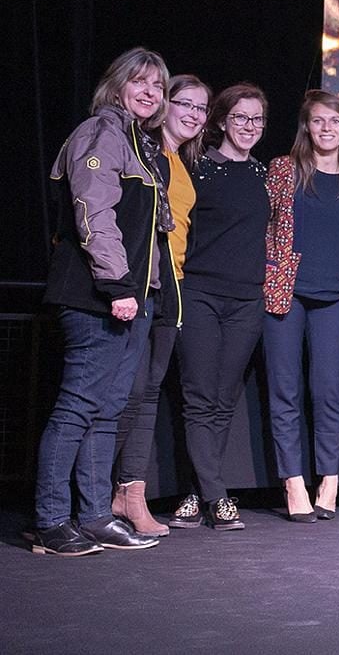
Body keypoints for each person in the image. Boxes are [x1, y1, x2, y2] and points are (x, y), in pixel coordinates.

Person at [31, 47, 169, 555]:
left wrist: (146, 292)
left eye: (158, 86)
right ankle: (50, 520)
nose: (151, 92)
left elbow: (149, 232)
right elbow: (93, 212)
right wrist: (117, 286)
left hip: (131, 296)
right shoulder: (102, 132)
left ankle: (92, 517)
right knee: (76, 408)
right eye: (141, 82)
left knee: (107, 411)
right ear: (117, 85)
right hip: (94, 296)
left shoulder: (140, 143)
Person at [111, 74, 210, 538]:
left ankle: (131, 494)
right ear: (164, 104)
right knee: (127, 394)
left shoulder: (179, 161)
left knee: (148, 392)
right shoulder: (145, 154)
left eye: (202, 108)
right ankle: (99, 494)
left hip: (173, 286)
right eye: (184, 103)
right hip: (144, 284)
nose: (193, 113)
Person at [171, 83, 270, 531]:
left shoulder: (264, 176)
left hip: (247, 300)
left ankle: (197, 492)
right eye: (241, 118)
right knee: (199, 397)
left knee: (224, 401)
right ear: (222, 121)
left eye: (257, 119)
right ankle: (217, 496)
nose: (249, 126)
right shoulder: (198, 169)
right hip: (200, 295)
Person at [263, 90, 339, 522]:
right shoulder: (284, 170)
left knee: (327, 390)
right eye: (318, 121)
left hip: (335, 296)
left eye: (334, 121)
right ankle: (292, 482)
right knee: (285, 390)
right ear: (307, 126)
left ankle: (329, 478)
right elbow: (260, 225)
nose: (326, 128)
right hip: (286, 292)